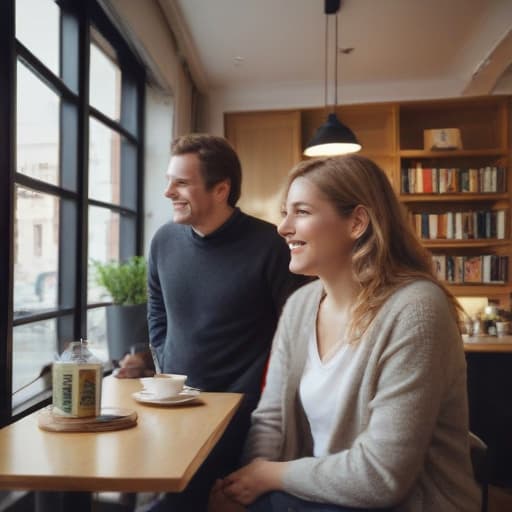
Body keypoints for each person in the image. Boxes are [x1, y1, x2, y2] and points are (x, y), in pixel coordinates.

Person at [210, 155, 480, 512]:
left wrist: (269, 478)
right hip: (323, 497)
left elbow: (381, 476)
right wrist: (245, 486)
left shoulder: (415, 310)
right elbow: (271, 419)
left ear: (356, 222)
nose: (283, 227)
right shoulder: (300, 306)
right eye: (284, 212)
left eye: (301, 212)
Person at [117, 134, 308, 511]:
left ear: (221, 189)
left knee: (199, 500)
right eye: (170, 180)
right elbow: (157, 310)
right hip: (175, 406)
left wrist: (256, 393)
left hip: (244, 414)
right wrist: (166, 366)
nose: (168, 191)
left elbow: (298, 330)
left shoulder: (270, 244)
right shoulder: (164, 241)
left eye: (181, 182)